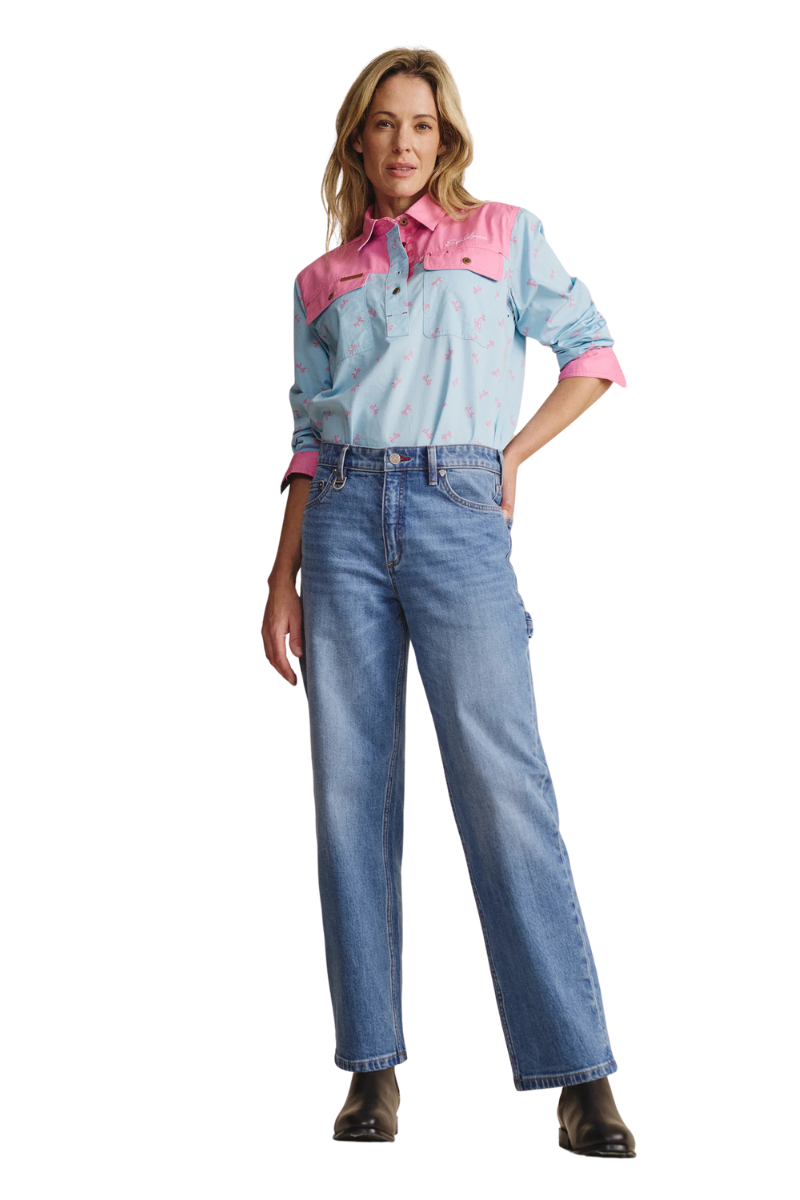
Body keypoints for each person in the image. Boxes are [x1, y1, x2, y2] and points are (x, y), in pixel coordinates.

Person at [262, 46, 636, 1157]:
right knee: (350, 797)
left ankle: (580, 1075)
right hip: (340, 526)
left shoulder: (503, 235)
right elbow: (306, 434)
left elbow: (592, 352)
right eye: (383, 124)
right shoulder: (320, 280)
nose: (402, 143)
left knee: (504, 788)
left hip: (457, 510)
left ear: (447, 137)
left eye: (420, 124)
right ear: (357, 139)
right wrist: (278, 575)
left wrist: (508, 457)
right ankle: (370, 1068)